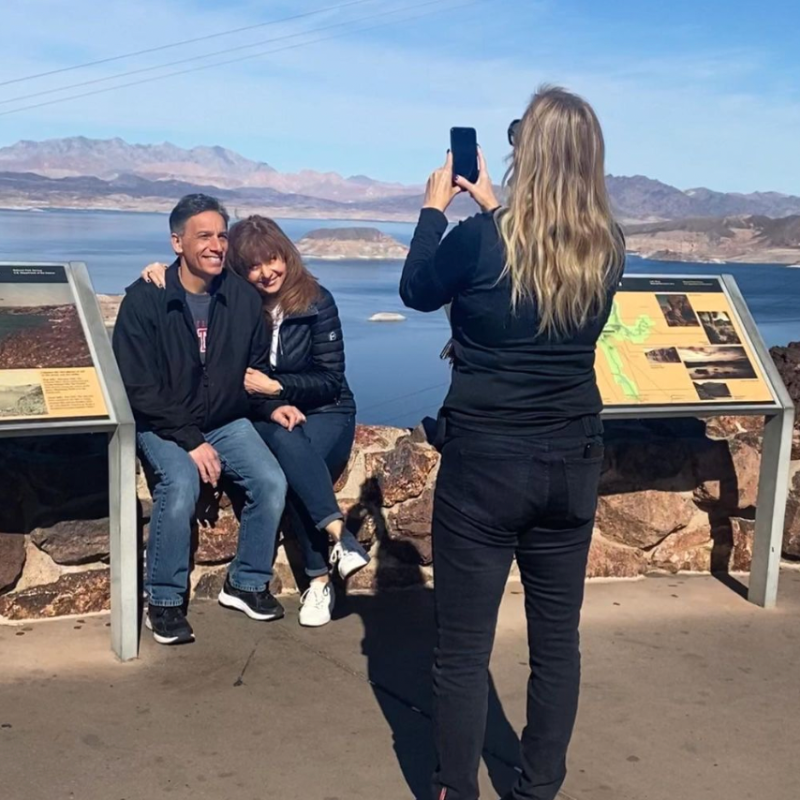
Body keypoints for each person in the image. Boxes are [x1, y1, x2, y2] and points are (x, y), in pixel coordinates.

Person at [400, 86, 626, 800]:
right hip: (573, 463)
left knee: (463, 652)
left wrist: (438, 208)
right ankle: (537, 789)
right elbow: (538, 286)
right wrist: (493, 207)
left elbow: (416, 290)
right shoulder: (608, 248)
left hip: (487, 466)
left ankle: (455, 790)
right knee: (557, 644)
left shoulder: (478, 239)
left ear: (525, 152)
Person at [139, 215, 369, 629]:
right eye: (253, 266)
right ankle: (331, 555)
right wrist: (159, 271)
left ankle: (318, 576)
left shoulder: (317, 300)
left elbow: (330, 380)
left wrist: (276, 388)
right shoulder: (236, 303)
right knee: (287, 460)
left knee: (302, 462)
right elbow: (192, 290)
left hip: (325, 408)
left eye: (273, 260)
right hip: (263, 411)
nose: (266, 273)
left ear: (287, 256)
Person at [113, 194, 289, 646]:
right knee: (181, 483)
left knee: (270, 481)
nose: (216, 245)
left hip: (224, 420)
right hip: (163, 424)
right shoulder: (147, 299)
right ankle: (165, 601)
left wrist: (272, 406)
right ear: (177, 242)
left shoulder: (242, 300)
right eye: (203, 235)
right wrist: (190, 440)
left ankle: (246, 583)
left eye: (221, 235)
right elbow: (139, 388)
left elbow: (251, 374)